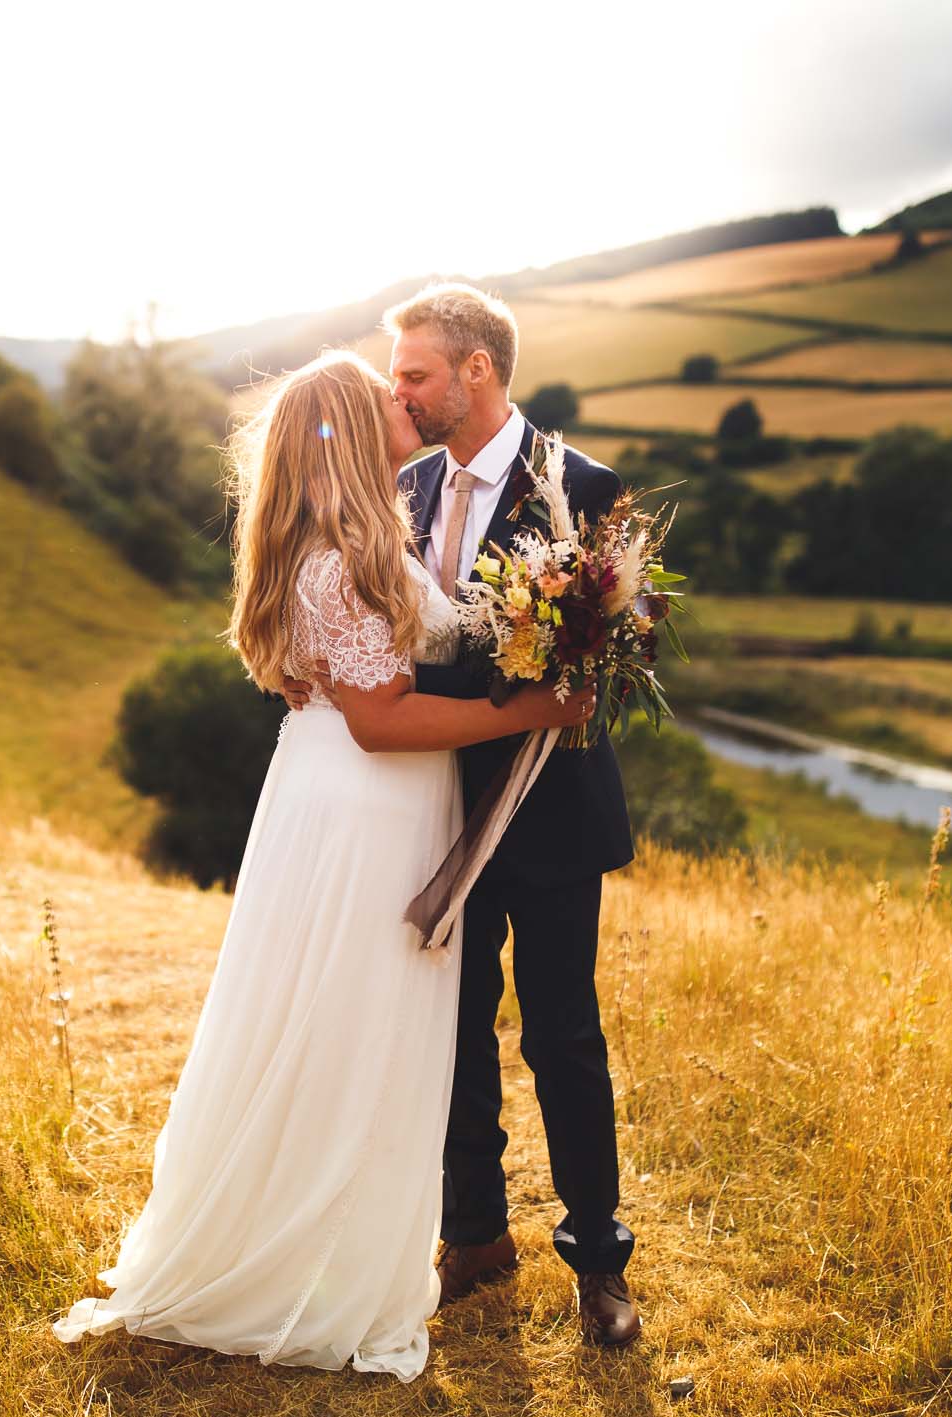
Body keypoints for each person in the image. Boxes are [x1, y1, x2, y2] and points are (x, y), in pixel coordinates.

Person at [51, 350, 592, 1381]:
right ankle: (306, 1266)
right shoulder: (338, 559)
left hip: (355, 798)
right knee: (346, 1026)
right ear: (347, 426)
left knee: (350, 1025)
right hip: (361, 805)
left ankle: (333, 1244)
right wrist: (525, 708)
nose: (405, 401)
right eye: (383, 395)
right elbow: (382, 722)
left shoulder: (364, 534)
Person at [289, 284, 641, 1346]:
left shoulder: (583, 489)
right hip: (429, 800)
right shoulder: (397, 485)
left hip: (546, 801)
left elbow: (617, 657)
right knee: (447, 1030)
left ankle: (598, 1264)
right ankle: (475, 1235)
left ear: (477, 371)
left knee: (562, 1033)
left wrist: (570, 673)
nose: (399, 391)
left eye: (415, 375)